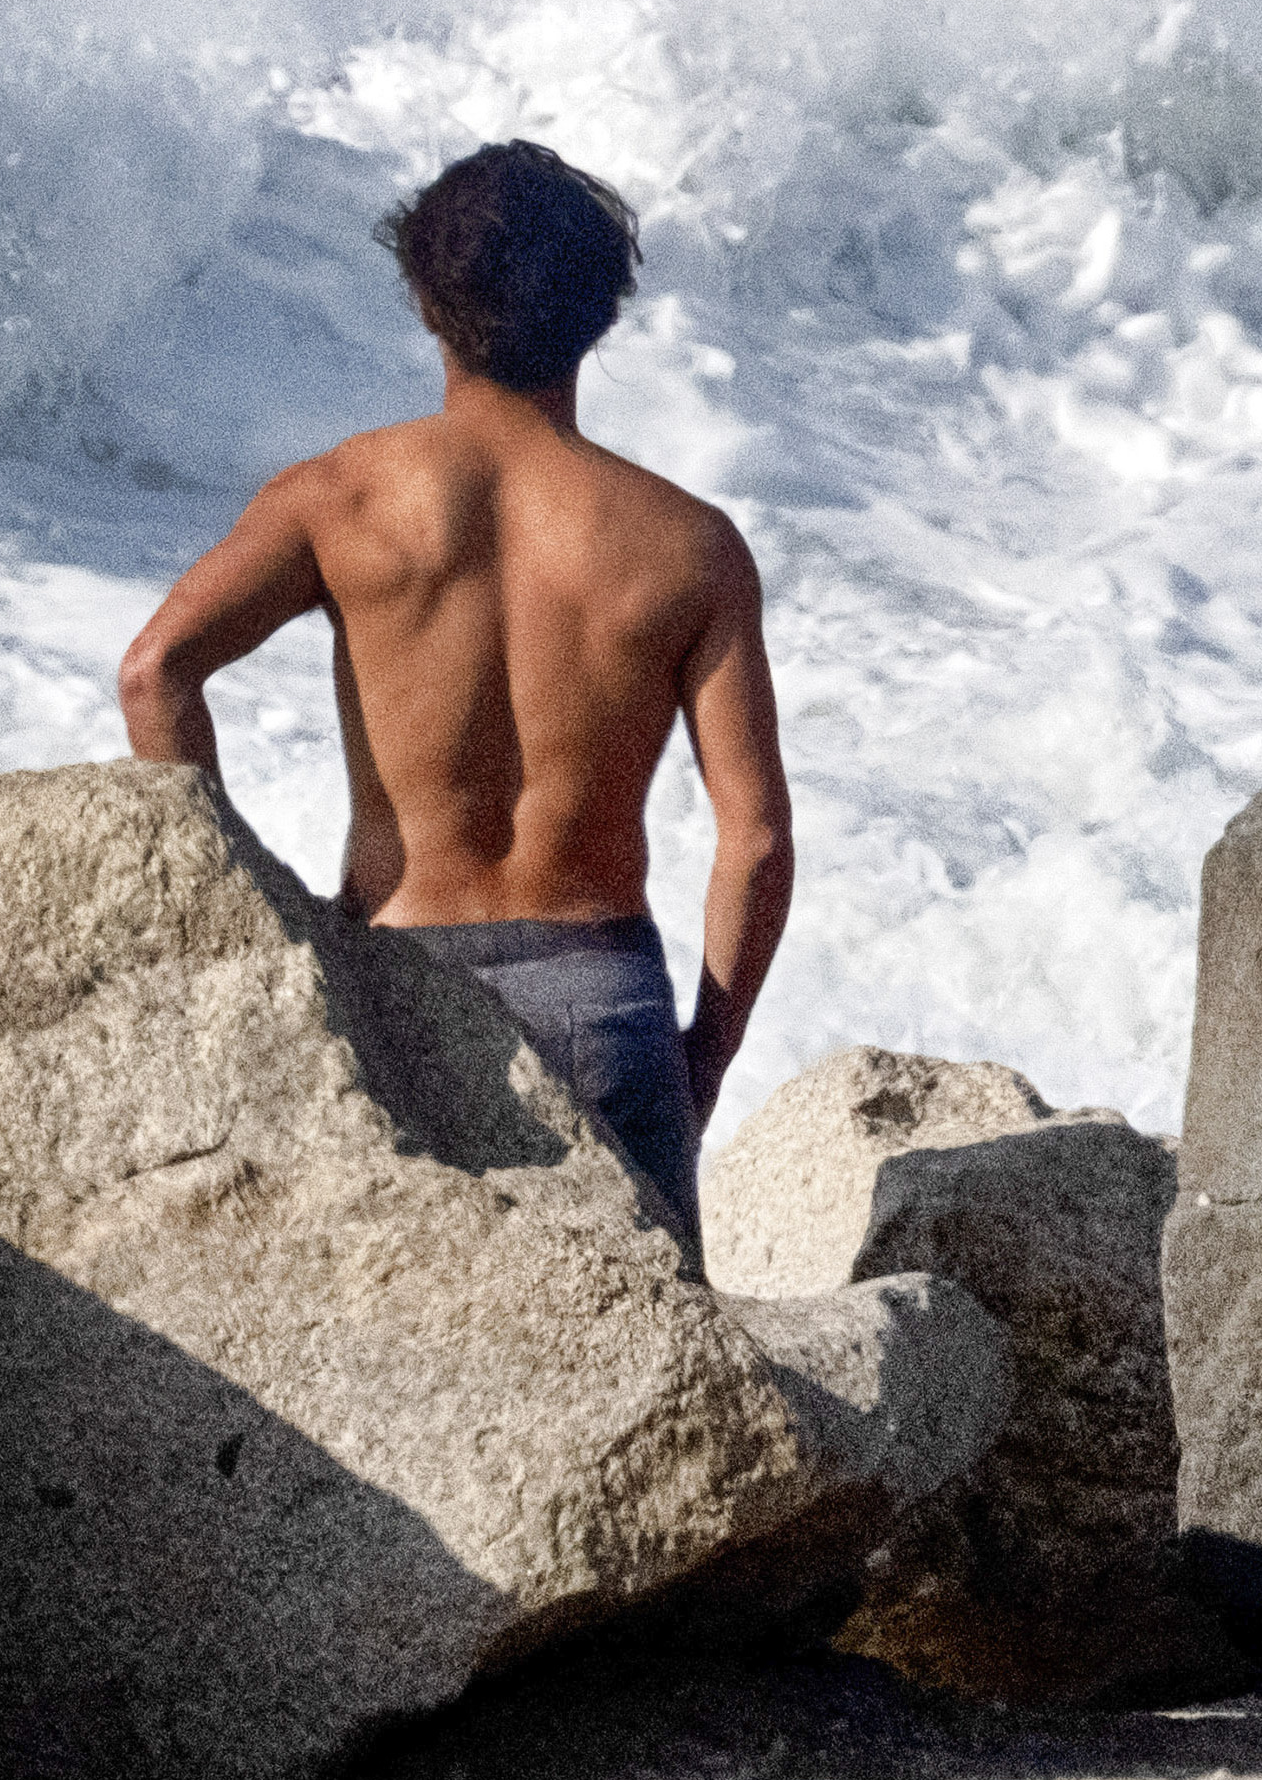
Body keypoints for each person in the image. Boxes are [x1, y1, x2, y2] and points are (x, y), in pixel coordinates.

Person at [116, 141, 790, 1268]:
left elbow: (156, 673)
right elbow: (756, 841)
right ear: (601, 312)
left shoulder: (337, 498)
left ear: (426, 302)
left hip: (401, 992)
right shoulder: (689, 546)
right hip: (602, 999)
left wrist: (238, 919)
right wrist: (701, 1062)